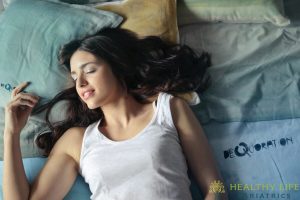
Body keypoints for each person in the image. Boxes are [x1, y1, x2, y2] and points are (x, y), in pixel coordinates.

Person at [3, 28, 227, 200]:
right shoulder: (76, 141)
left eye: (90, 70)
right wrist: (11, 134)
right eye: (74, 77)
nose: (80, 83)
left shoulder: (168, 109)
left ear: (118, 67)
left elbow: (215, 186)